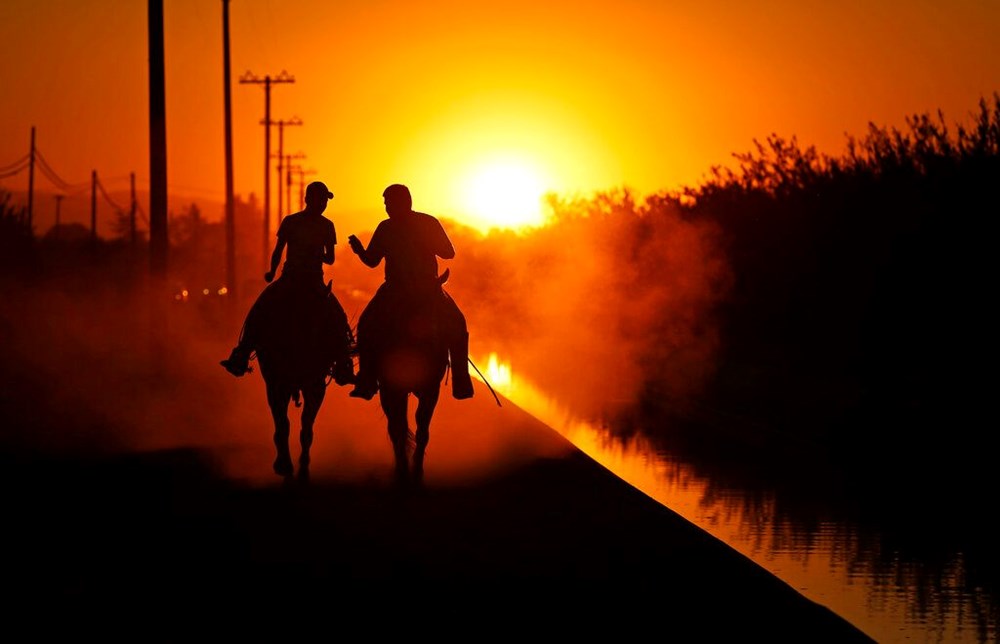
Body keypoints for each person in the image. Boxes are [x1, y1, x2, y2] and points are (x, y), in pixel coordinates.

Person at [347, 183, 474, 400]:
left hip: (415, 288)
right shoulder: (394, 226)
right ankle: (460, 380)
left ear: (404, 202)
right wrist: (360, 251)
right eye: (386, 204)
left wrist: (362, 252)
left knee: (456, 322)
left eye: (389, 203)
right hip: (411, 288)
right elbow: (373, 260)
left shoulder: (416, 224)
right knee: (455, 322)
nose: (387, 208)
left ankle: (368, 379)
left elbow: (448, 252)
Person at [221, 180, 354, 385]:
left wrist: (311, 255)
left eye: (324, 201)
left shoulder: (320, 224)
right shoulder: (298, 222)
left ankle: (344, 362)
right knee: (261, 308)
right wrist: (272, 271)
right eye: (321, 199)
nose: (323, 204)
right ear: (309, 199)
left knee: (337, 316)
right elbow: (279, 250)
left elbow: (330, 258)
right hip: (295, 279)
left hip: (306, 281)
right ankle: (242, 353)